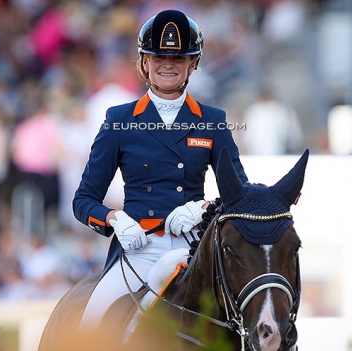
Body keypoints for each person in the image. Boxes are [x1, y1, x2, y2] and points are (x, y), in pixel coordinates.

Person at [73, 9, 248, 327]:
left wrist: (204, 208)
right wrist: (115, 219)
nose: (168, 64)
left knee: (251, 326)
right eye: (158, 56)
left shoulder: (213, 121)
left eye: (179, 58)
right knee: (91, 325)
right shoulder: (119, 120)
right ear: (144, 62)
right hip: (138, 248)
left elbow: (239, 194)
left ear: (193, 64)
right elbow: (83, 200)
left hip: (194, 250)